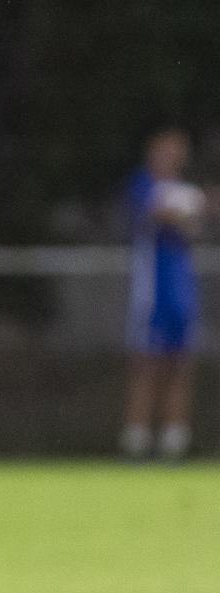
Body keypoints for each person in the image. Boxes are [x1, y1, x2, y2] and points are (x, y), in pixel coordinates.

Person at [120, 128, 207, 461]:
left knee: (181, 364)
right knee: (147, 365)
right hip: (152, 291)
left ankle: (174, 442)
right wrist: (193, 209)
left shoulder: (185, 191)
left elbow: (194, 226)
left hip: (182, 290)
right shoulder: (145, 184)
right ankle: (137, 440)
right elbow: (161, 212)